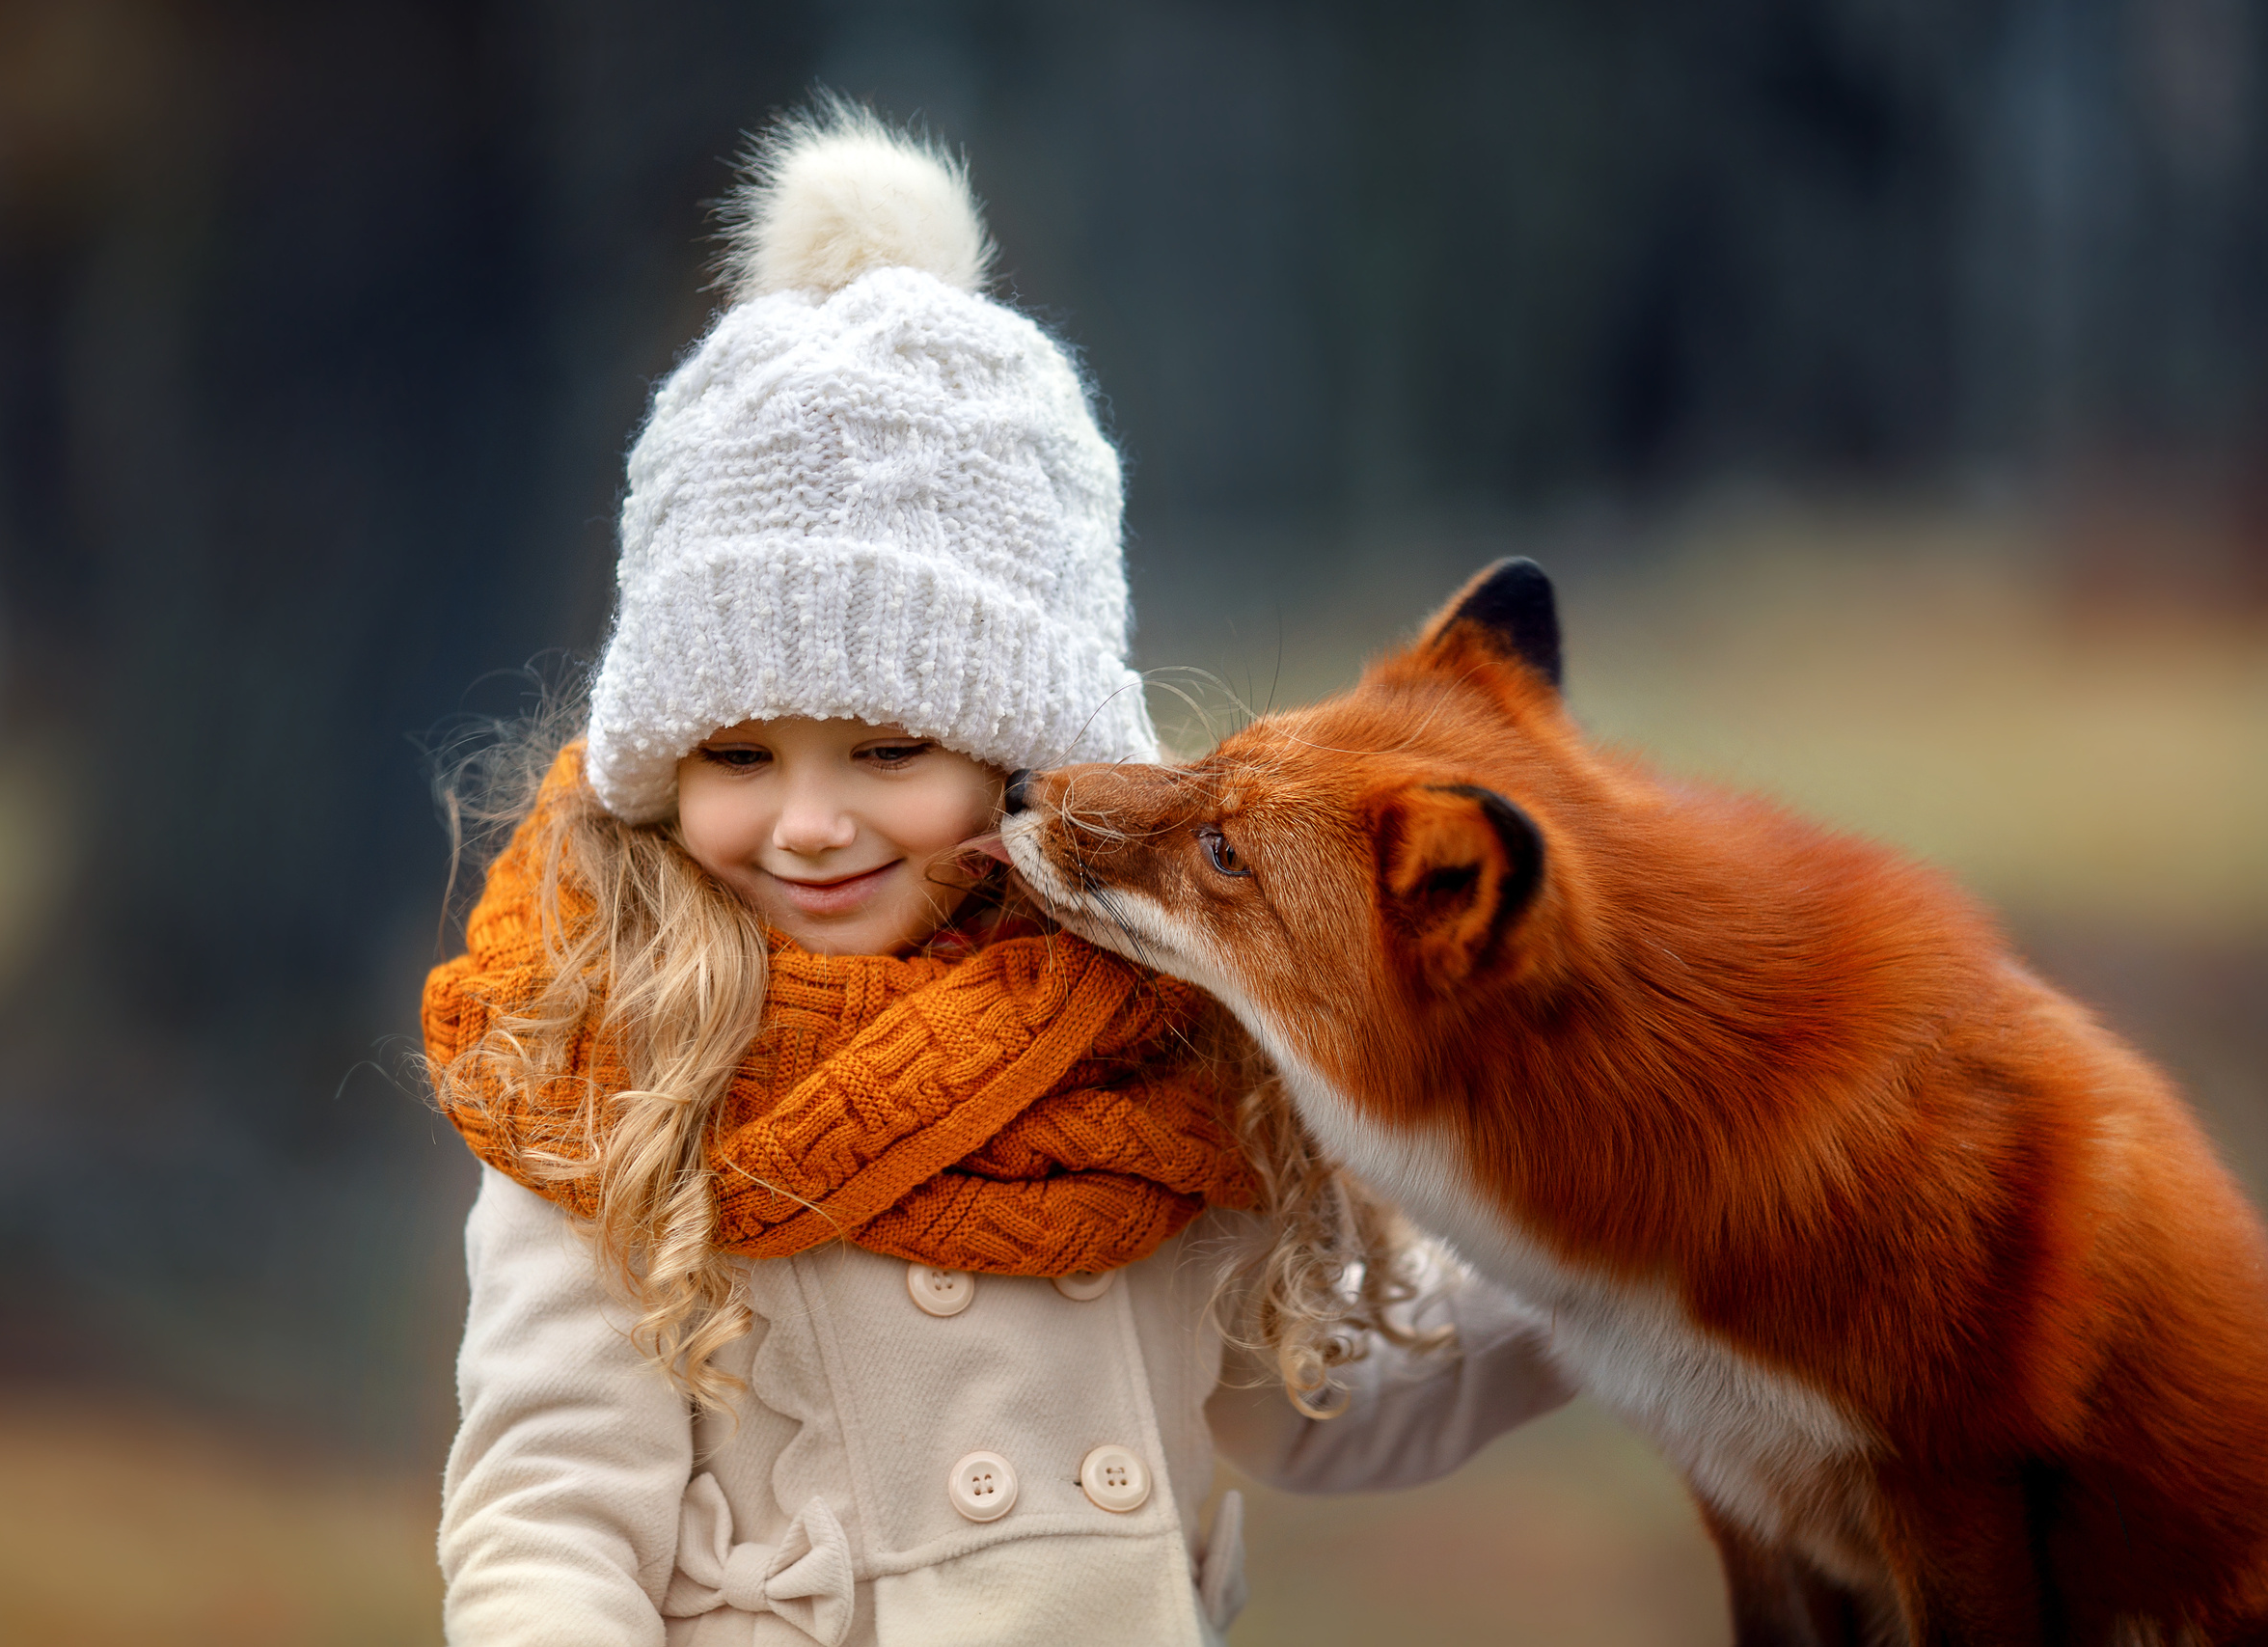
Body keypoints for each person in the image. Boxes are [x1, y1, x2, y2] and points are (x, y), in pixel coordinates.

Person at [422, 100, 1571, 1647]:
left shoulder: (1156, 1042)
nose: (809, 823)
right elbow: (550, 1521)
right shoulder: (612, 1063)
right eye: (740, 758)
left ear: (1025, 755)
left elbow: (1330, 1389)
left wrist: (1620, 1251)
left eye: (887, 752)